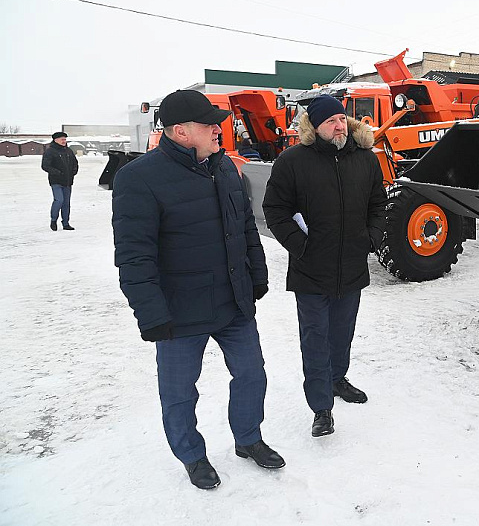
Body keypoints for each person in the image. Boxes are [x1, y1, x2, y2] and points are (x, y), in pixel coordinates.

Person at [112, 89, 284, 490]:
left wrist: (257, 275)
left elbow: (246, 227)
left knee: (251, 375)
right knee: (179, 393)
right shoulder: (138, 178)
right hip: (179, 312)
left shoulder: (225, 168)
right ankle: (192, 455)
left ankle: (248, 439)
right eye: (210, 125)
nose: (218, 130)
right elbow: (134, 256)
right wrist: (151, 314)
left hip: (232, 301)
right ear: (181, 131)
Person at [263, 94, 387, 437]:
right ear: (314, 127)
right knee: (315, 338)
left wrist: (371, 238)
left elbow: (378, 204)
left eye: (342, 119)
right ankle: (321, 407)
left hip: (351, 265)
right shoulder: (292, 161)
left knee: (342, 332)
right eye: (330, 121)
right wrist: (300, 246)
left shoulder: (365, 159)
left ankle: (337, 378)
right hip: (311, 270)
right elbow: (275, 209)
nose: (339, 125)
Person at [41, 131, 78, 231]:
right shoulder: (50, 151)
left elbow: (75, 163)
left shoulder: (68, 151)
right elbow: (45, 166)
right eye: (62, 139)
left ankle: (65, 223)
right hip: (56, 181)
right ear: (55, 140)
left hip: (68, 181)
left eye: (65, 139)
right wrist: (57, 172)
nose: (64, 141)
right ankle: (53, 220)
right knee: (59, 200)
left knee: (66, 203)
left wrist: (74, 171)